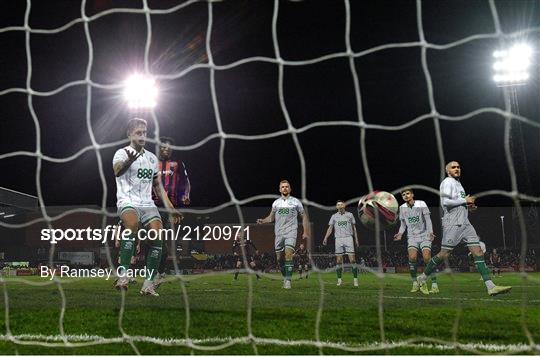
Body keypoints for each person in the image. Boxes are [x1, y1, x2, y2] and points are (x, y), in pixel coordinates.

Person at [416, 161, 511, 296]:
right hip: (452, 224)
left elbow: (460, 204)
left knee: (478, 252)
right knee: (444, 254)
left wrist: (469, 208)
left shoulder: (459, 185)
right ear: (448, 171)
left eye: (459, 167)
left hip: (465, 224)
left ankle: (491, 287)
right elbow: (446, 203)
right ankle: (422, 277)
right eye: (453, 167)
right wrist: (464, 201)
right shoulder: (447, 182)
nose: (457, 169)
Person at [113, 118, 181, 296]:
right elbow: (117, 170)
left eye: (144, 132)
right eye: (138, 133)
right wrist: (129, 161)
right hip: (127, 201)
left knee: (157, 238)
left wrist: (171, 208)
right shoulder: (121, 153)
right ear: (130, 134)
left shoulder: (151, 158)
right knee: (132, 225)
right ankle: (123, 275)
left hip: (147, 204)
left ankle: (148, 285)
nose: (142, 136)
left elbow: (158, 187)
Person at [257, 180, 310, 289]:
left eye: (287, 187)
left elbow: (304, 216)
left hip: (291, 232)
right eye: (283, 187)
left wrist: (305, 231)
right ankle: (285, 277)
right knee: (279, 259)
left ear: (290, 189)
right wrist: (263, 220)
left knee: (288, 254)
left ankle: (288, 281)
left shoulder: (296, 202)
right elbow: (271, 218)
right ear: (280, 189)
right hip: (279, 234)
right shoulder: (276, 203)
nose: (285, 188)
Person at [152, 137, 191, 285]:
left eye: (168, 147)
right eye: (163, 147)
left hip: (170, 210)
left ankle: (159, 272)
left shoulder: (178, 164)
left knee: (162, 242)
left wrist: (186, 195)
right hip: (152, 207)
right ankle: (157, 272)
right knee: (155, 241)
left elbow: (186, 182)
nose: (165, 149)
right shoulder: (152, 163)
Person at [393, 189, 439, 293]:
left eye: (408, 193)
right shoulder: (402, 208)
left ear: (412, 195)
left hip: (424, 235)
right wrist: (400, 234)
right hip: (412, 237)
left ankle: (434, 285)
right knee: (412, 257)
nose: (405, 196)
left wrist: (430, 232)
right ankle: (415, 283)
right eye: (403, 195)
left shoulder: (421, 203)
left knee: (427, 258)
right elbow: (403, 225)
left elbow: (428, 219)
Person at [322, 200, 360, 287]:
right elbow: (330, 228)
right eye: (338, 205)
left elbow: (354, 228)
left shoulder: (350, 215)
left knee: (352, 260)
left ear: (344, 206)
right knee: (338, 261)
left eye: (341, 204)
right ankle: (339, 280)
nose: (339, 206)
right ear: (336, 207)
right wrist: (325, 237)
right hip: (338, 239)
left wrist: (356, 239)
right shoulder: (334, 216)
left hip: (348, 238)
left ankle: (355, 280)